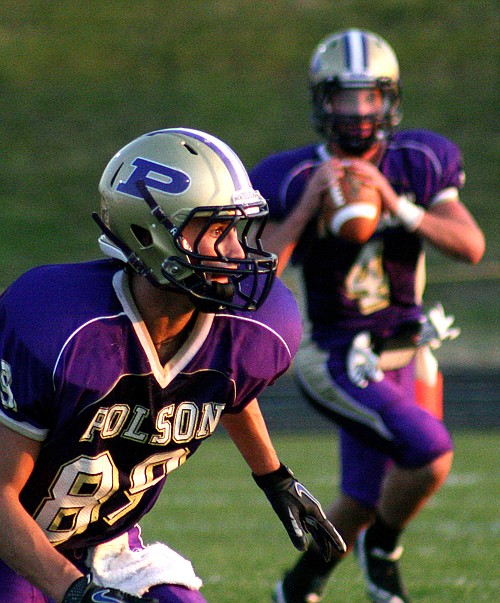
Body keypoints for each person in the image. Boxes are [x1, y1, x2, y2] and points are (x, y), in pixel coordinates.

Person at [0, 128, 346, 603]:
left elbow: (226, 387)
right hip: (13, 544)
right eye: (216, 231)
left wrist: (274, 476)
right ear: (149, 234)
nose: (236, 253)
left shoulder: (254, 328)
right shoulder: (66, 331)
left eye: (236, 231)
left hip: (105, 543)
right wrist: (75, 592)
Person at [250, 29, 485, 603]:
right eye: (342, 96)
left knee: (359, 497)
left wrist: (395, 201)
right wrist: (308, 208)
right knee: (429, 451)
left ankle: (300, 584)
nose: (357, 110)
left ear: (389, 98)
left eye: (370, 96)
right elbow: (259, 276)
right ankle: (383, 550)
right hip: (331, 352)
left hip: (406, 346)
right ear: (320, 100)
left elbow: (469, 244)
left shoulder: (417, 160)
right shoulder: (289, 176)